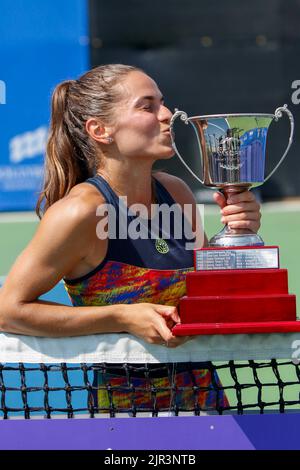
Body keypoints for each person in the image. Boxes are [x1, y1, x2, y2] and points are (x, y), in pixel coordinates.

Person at [0, 64, 261, 413]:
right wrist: (121, 316)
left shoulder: (176, 192)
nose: (167, 115)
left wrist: (238, 235)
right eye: (147, 106)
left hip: (208, 404)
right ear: (100, 129)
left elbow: (208, 294)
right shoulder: (79, 213)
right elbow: (9, 311)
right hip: (124, 417)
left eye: (163, 103)